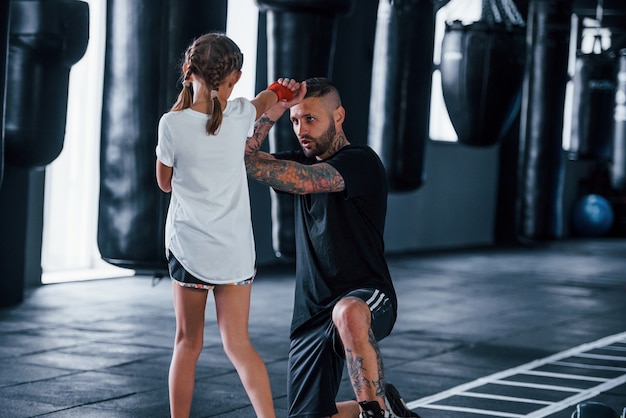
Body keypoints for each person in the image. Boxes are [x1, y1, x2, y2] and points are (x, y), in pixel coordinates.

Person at [244, 77, 421, 418]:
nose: (301, 129)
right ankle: (387, 409)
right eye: (296, 120)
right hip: (311, 314)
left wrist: (281, 116)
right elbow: (245, 159)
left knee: (348, 311)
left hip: (367, 297)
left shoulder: (361, 161)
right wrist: (277, 106)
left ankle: (375, 413)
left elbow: (306, 181)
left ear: (338, 116)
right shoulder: (299, 160)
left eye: (310, 118)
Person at [155, 32, 300, 418]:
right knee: (238, 345)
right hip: (234, 253)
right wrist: (284, 89)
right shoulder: (240, 115)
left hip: (190, 251)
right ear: (233, 78)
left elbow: (164, 183)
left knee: (187, 343)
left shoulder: (171, 124)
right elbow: (271, 97)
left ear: (190, 71)